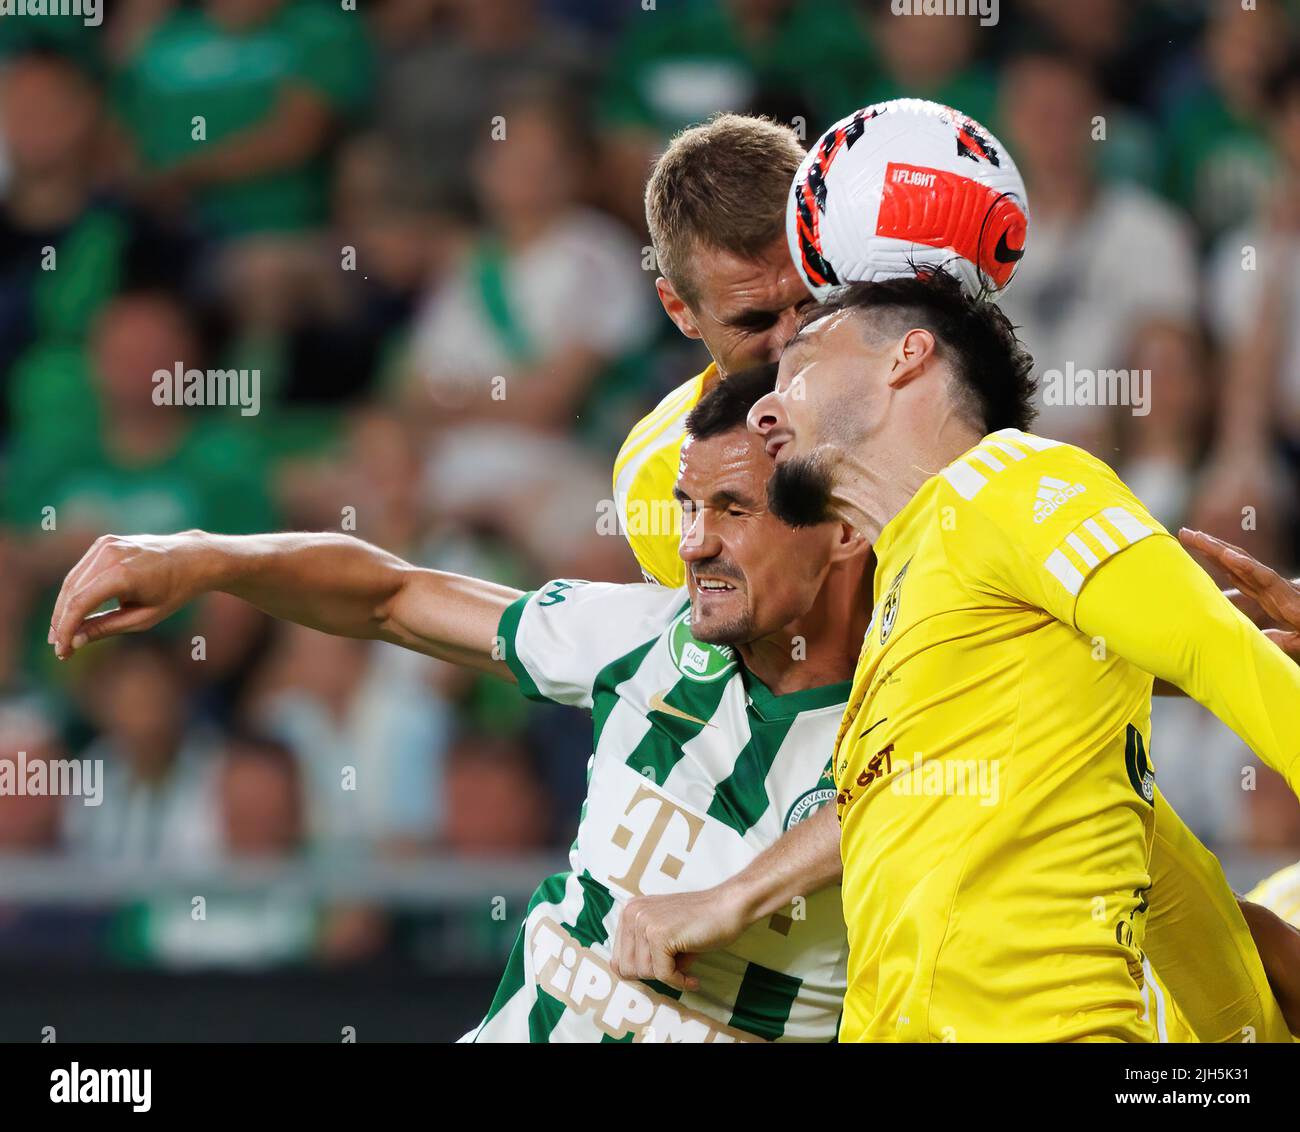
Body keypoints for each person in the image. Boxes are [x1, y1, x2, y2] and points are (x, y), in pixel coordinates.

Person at [48, 366, 872, 1043]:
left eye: (734, 511)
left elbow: (916, 778)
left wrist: (731, 899)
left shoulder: (906, 726)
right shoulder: (641, 635)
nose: (693, 544)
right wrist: (207, 557)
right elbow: (392, 596)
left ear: (842, 530)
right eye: (690, 508)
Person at [742, 271, 1300, 1041]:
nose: (764, 406)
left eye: (799, 369)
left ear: (907, 358)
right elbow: (1154, 864)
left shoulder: (1011, 480)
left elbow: (1225, 657)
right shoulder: (910, 598)